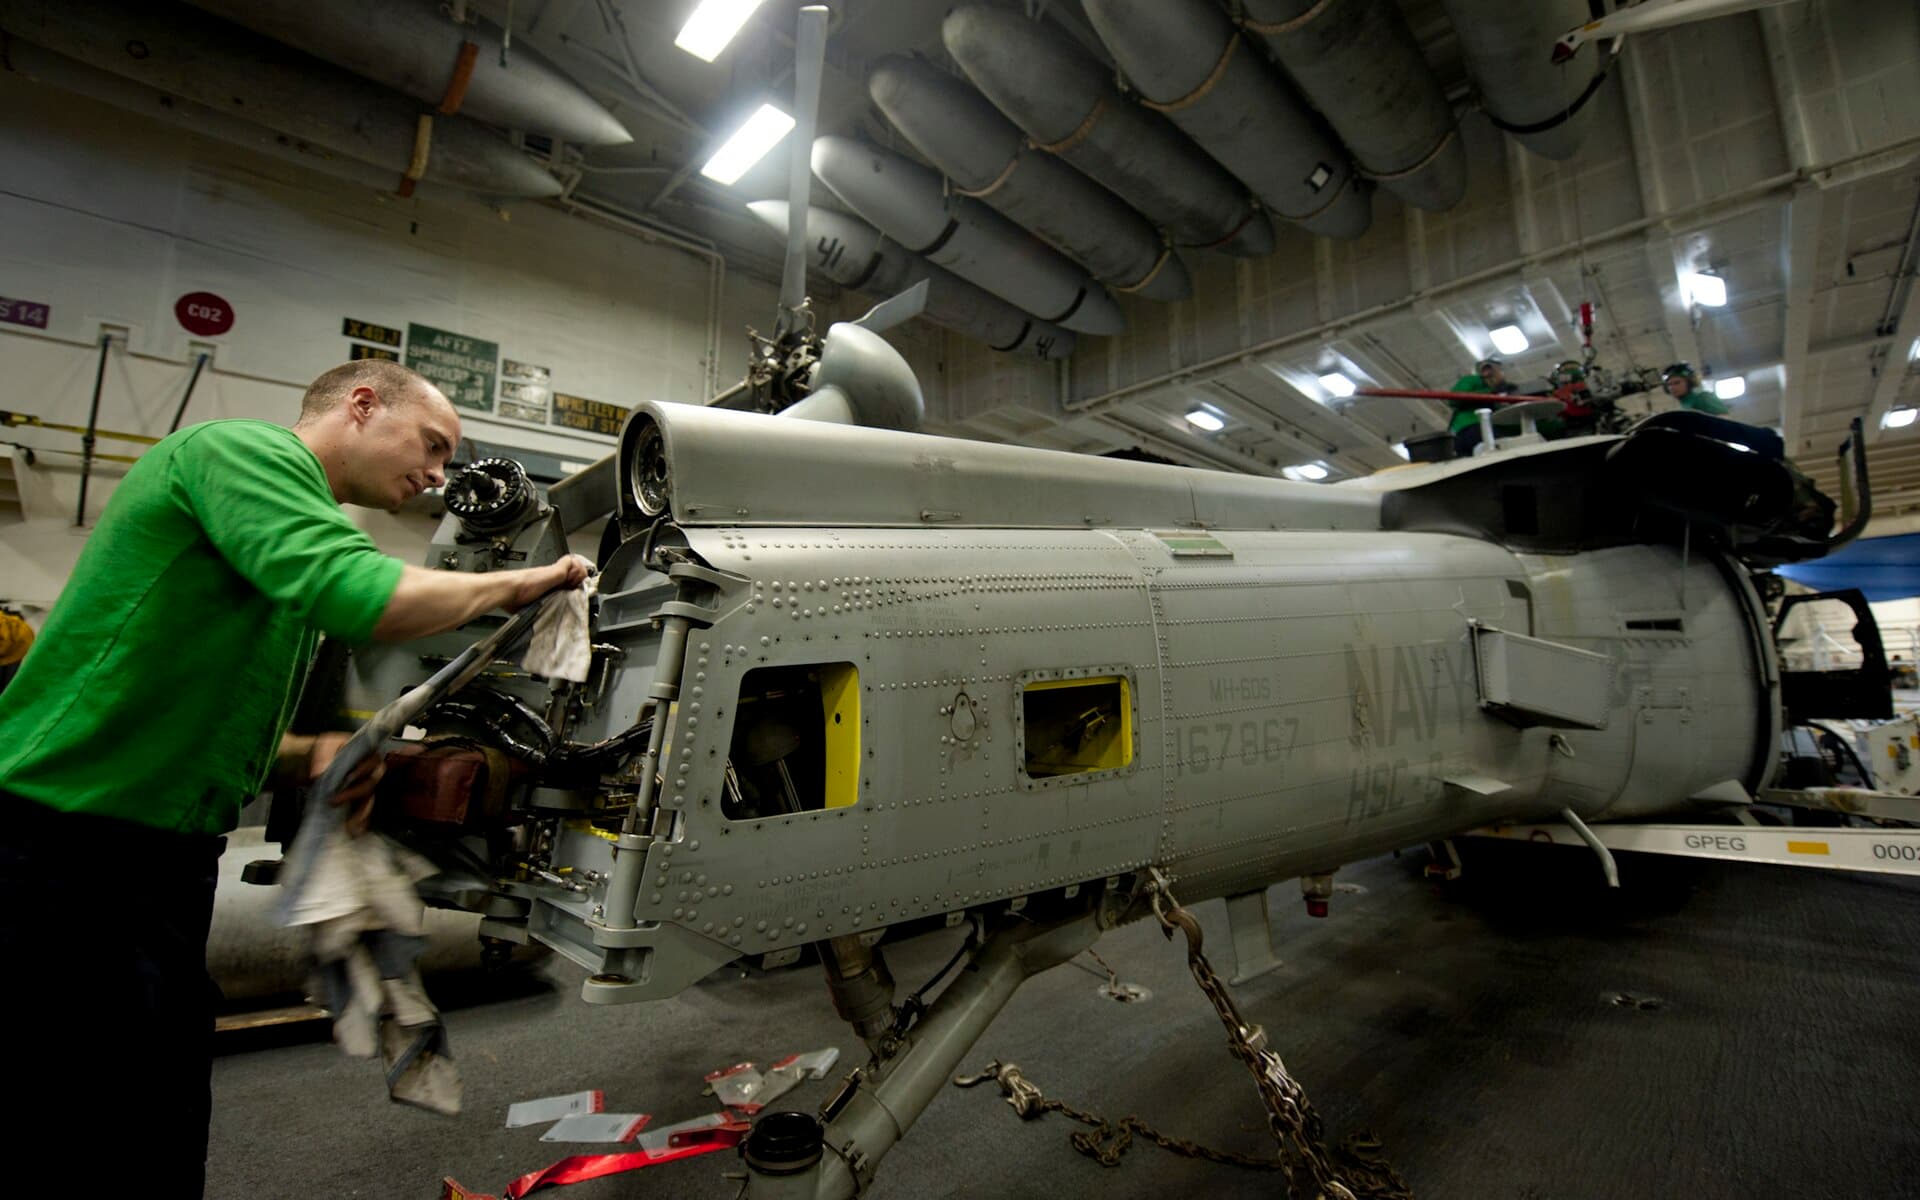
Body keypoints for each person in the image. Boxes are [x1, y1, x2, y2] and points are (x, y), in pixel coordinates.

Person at [0, 360, 587, 1196]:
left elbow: (206, 704)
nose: (437, 475)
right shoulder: (239, 453)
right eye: (431, 444)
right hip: (62, 845)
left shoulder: (277, 538)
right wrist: (531, 582)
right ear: (359, 406)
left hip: (153, 856)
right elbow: (362, 596)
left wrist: (305, 753)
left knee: (149, 1109)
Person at [1448, 357, 1515, 456]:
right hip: (1472, 427)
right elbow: (1455, 398)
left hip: (1480, 428)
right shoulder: (1473, 380)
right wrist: (1491, 393)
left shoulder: (1501, 390)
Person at [1661, 362, 1730, 415]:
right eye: (1669, 385)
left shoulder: (1703, 397)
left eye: (1677, 383)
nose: (1672, 387)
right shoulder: (1683, 407)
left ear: (1690, 382)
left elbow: (1725, 419)